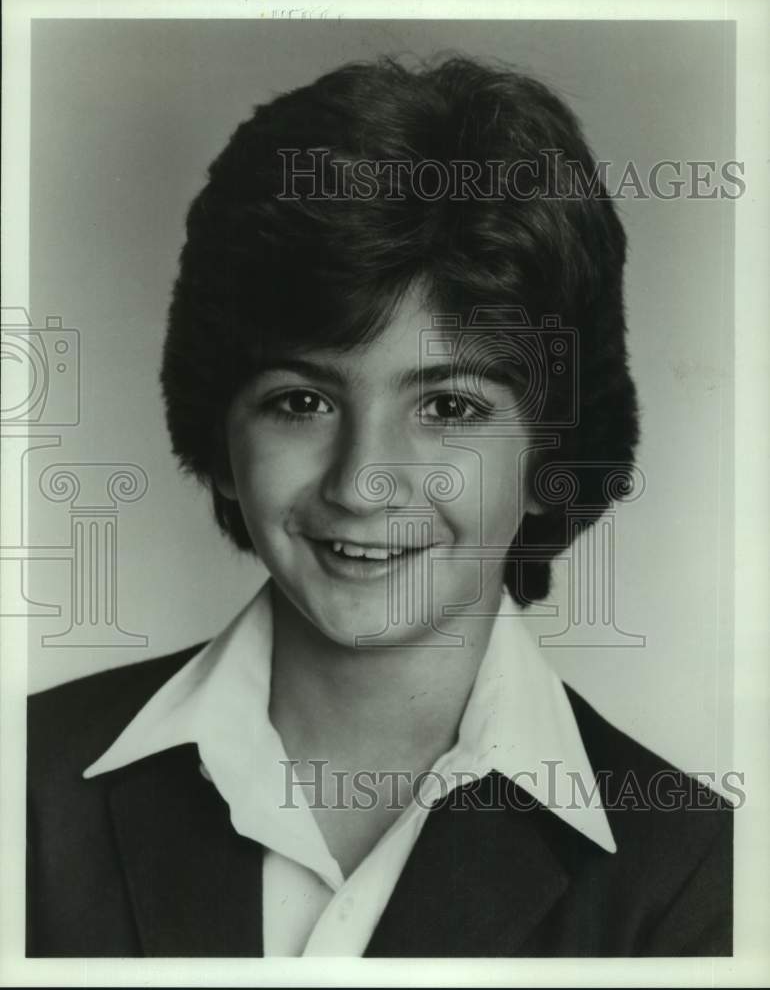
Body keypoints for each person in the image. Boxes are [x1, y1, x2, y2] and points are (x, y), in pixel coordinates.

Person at [26, 55, 732, 958]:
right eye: (303, 401)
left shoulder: (695, 880)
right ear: (224, 430)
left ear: (550, 448)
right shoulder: (29, 785)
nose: (363, 482)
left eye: (450, 407)